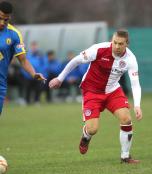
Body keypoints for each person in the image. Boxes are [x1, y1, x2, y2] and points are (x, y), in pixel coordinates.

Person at [49, 29, 143, 164]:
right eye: (114, 42)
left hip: (112, 91)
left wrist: (137, 105)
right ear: (112, 40)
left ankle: (125, 157)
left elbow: (135, 84)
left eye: (120, 44)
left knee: (126, 119)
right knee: (93, 129)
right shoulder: (99, 49)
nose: (116, 46)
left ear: (126, 44)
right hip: (91, 91)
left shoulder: (130, 59)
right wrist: (60, 78)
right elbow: (76, 61)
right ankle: (86, 137)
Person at [0, 1, 46, 114]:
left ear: (9, 17)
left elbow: (23, 60)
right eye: (0, 18)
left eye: (6, 20)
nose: (2, 23)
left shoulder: (14, 34)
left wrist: (33, 73)